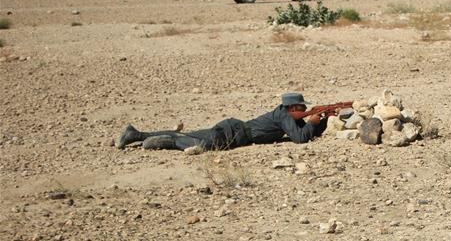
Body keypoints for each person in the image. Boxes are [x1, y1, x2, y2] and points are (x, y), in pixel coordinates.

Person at [115, 92, 327, 153]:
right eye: (301, 108)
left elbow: (298, 131)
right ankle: (165, 141)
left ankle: (137, 135)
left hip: (233, 130)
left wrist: (322, 122)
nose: (303, 110)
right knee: (201, 144)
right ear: (293, 108)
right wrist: (312, 122)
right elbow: (299, 139)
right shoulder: (283, 116)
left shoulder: (284, 116)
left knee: (192, 135)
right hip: (232, 133)